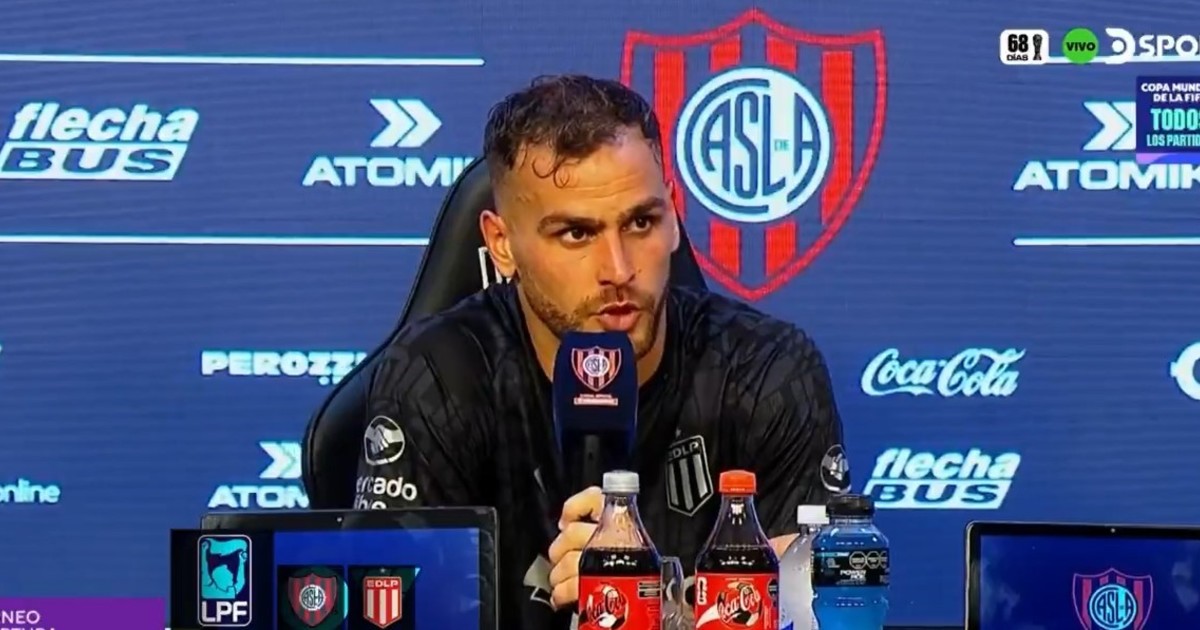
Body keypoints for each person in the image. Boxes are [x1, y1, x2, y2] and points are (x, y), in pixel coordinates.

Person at [353, 74, 851, 630]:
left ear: (673, 219)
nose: (618, 269)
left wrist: (661, 609)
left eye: (640, 222)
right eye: (576, 234)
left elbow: (818, 608)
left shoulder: (767, 371)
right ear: (502, 244)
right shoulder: (437, 377)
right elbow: (393, 613)